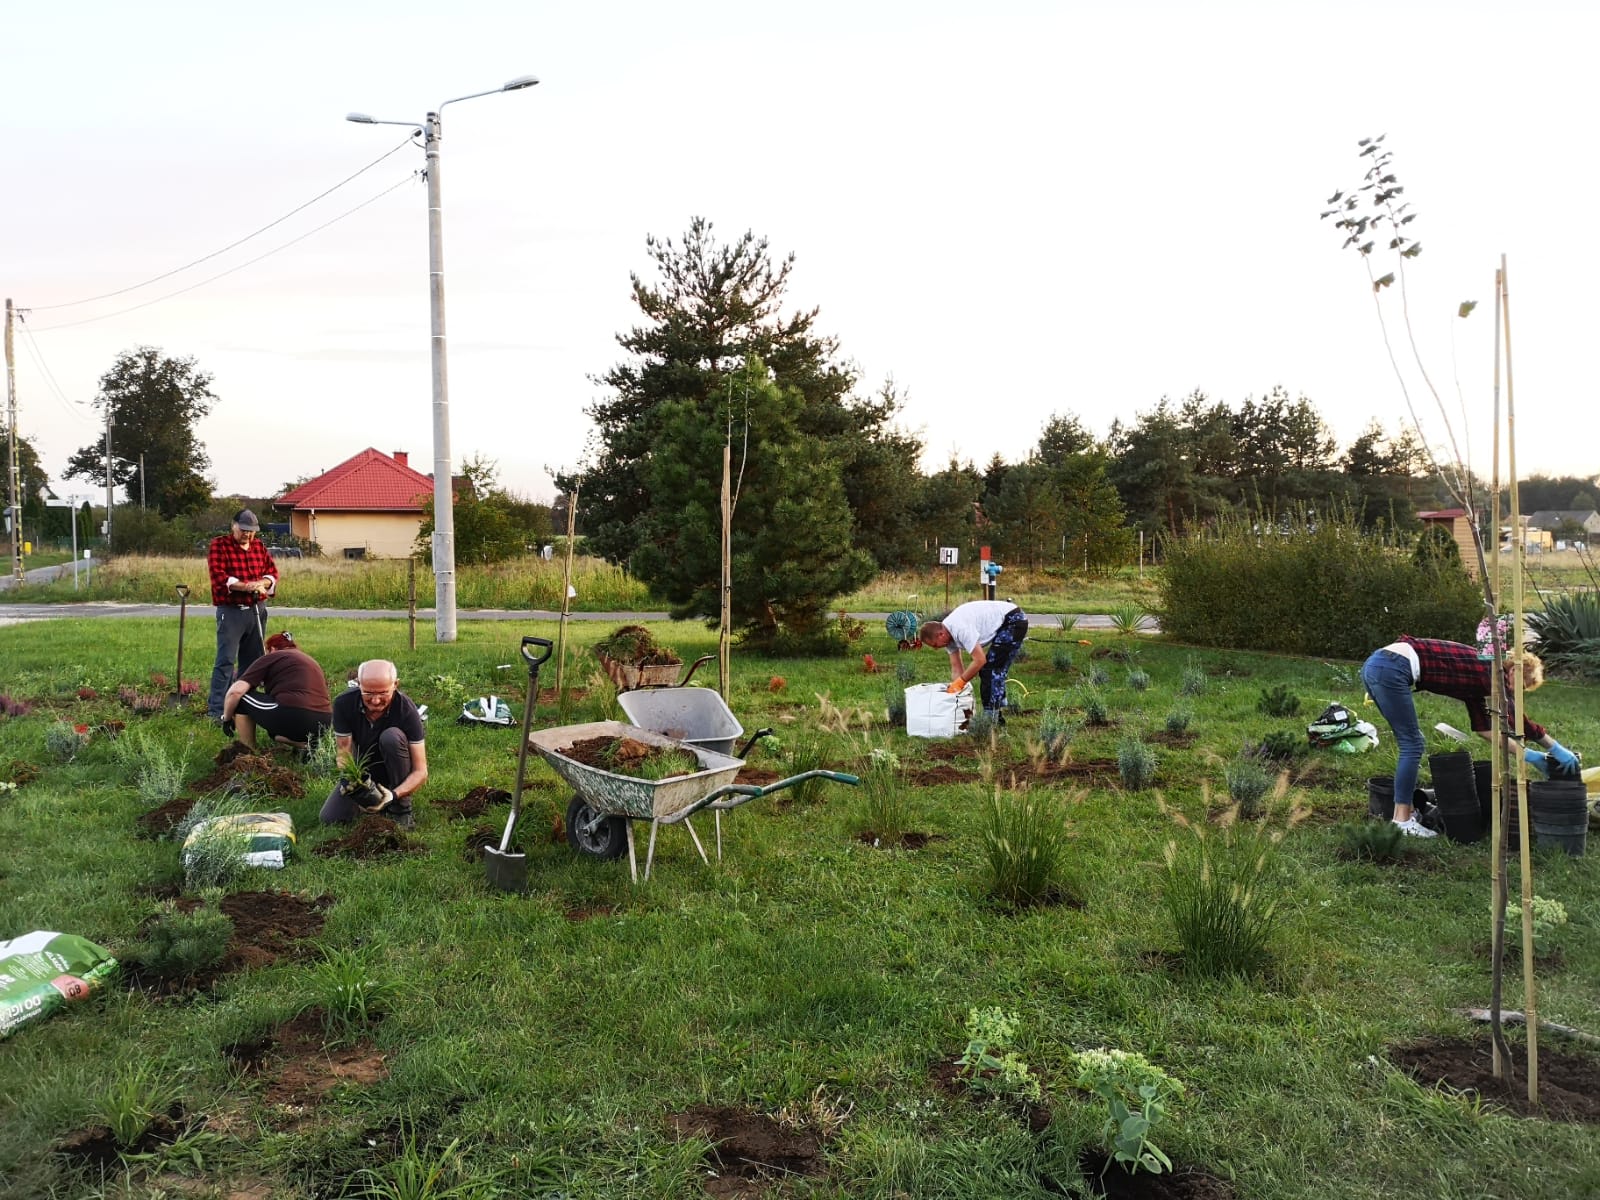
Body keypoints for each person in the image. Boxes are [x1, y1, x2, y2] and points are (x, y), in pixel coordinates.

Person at [1360, 635, 1578, 838]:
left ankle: (1405, 813)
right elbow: (1515, 718)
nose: (1515, 693)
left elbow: (1485, 730)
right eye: (1519, 686)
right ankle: (1402, 821)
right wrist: (1553, 747)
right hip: (1392, 668)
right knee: (1413, 744)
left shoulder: (1480, 675)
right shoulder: (1492, 670)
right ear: (1514, 671)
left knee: (1411, 742)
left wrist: (1528, 755)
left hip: (1381, 664)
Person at [320, 659, 428, 829]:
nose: (375, 700)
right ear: (358, 684)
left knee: (391, 737)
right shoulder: (344, 703)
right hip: (366, 772)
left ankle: (401, 809)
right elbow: (344, 753)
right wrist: (353, 781)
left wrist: (394, 794)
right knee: (331, 818)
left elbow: (421, 771)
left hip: (397, 769)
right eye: (368, 693)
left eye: (383, 693)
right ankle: (373, 799)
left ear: (395, 685)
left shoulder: (406, 710)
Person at [206, 509, 279, 720]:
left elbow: (272, 573)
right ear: (233, 526)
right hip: (231, 612)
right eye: (244, 530)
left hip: (257, 610)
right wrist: (246, 587)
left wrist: (262, 583)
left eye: (252, 531)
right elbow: (220, 578)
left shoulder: (259, 547)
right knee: (226, 660)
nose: (248, 534)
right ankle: (218, 709)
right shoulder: (219, 545)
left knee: (254, 661)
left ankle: (245, 705)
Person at [219, 632, 333, 752]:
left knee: (242, 699)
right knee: (274, 733)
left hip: (295, 714)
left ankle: (248, 752)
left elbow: (235, 692)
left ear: (272, 649)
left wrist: (226, 719)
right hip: (324, 722)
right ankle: (306, 745)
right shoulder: (310, 660)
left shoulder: (273, 656)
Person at [919, 600, 1030, 719]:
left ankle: (992, 718)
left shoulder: (960, 629)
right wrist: (956, 691)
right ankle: (997, 709)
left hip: (1014, 620)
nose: (936, 649)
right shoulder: (948, 637)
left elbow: (979, 660)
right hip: (1006, 621)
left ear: (941, 635)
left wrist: (960, 682)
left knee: (990, 670)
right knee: (994, 668)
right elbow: (956, 668)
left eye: (935, 645)